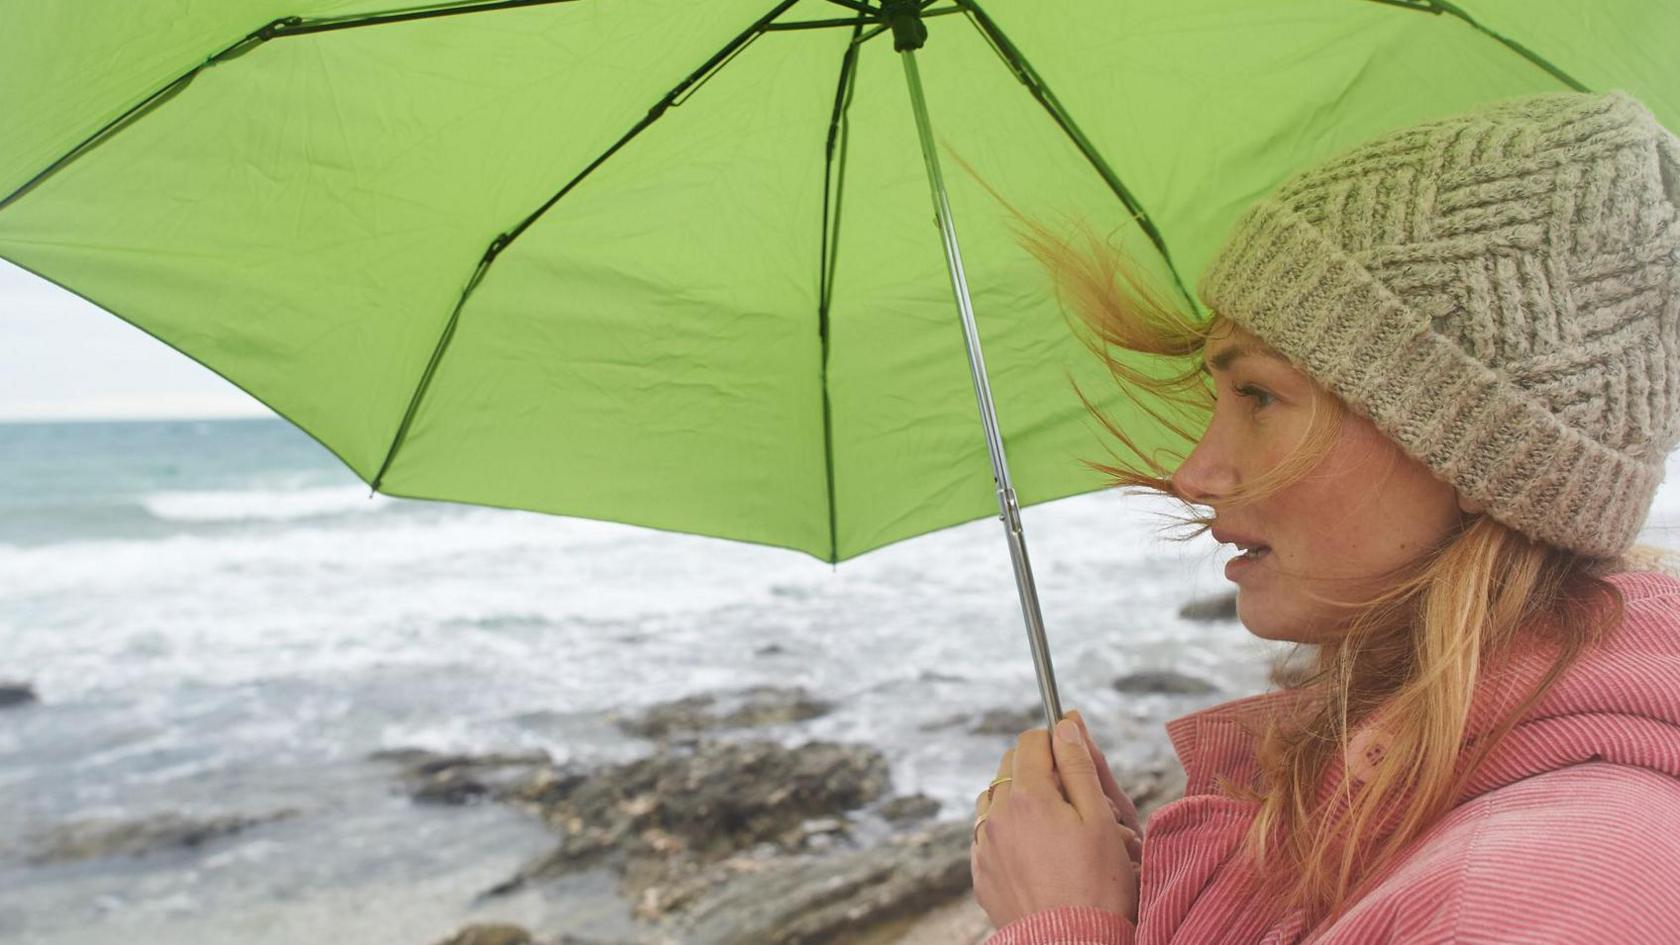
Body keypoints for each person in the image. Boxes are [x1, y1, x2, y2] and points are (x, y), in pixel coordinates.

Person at [970, 89, 1680, 943]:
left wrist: (1062, 927)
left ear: (1466, 444)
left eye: (1260, 395)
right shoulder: (1400, 792)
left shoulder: (1537, 894)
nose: (1194, 473)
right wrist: (1154, 904)